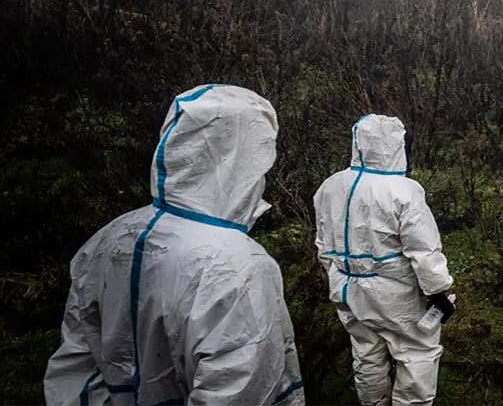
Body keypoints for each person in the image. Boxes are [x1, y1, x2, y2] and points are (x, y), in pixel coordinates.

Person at [46, 85, 306, 405]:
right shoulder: (240, 266)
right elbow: (239, 392)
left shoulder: (109, 238)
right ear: (246, 157)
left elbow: (75, 364)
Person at [314, 115, 454, 406]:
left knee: (366, 355)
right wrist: (438, 290)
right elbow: (423, 249)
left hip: (347, 289)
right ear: (395, 145)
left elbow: (323, 244)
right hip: (396, 295)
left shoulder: (330, 186)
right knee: (416, 354)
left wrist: (336, 275)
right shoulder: (403, 190)